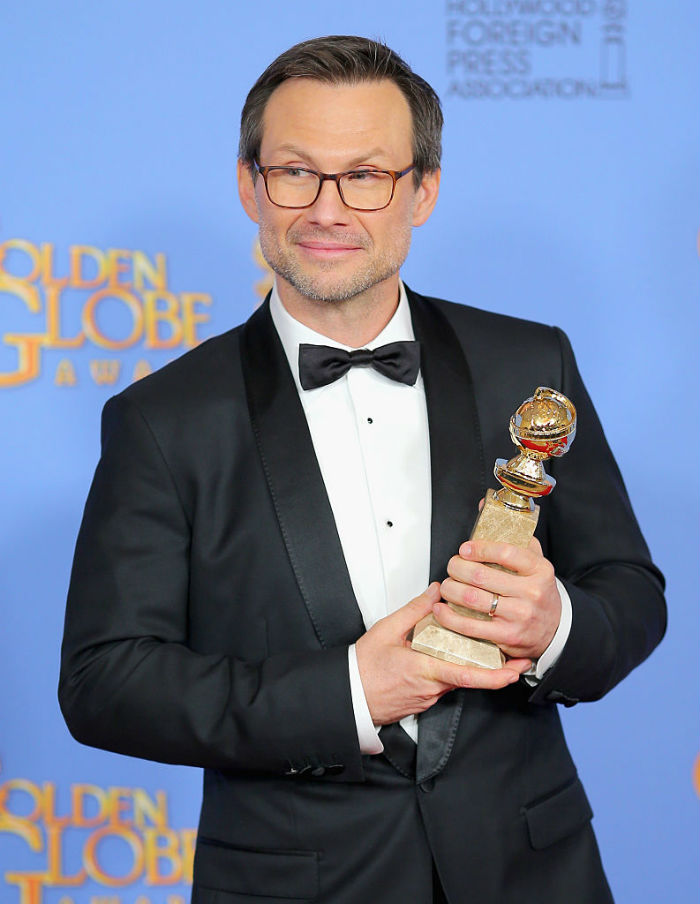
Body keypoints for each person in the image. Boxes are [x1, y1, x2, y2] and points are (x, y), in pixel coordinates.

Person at [59, 35, 666, 904]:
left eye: (367, 175)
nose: (327, 209)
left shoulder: (530, 365)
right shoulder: (164, 420)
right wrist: (348, 691)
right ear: (249, 186)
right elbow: (104, 682)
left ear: (423, 191)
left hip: (534, 871)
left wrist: (555, 624)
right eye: (296, 172)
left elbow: (632, 593)